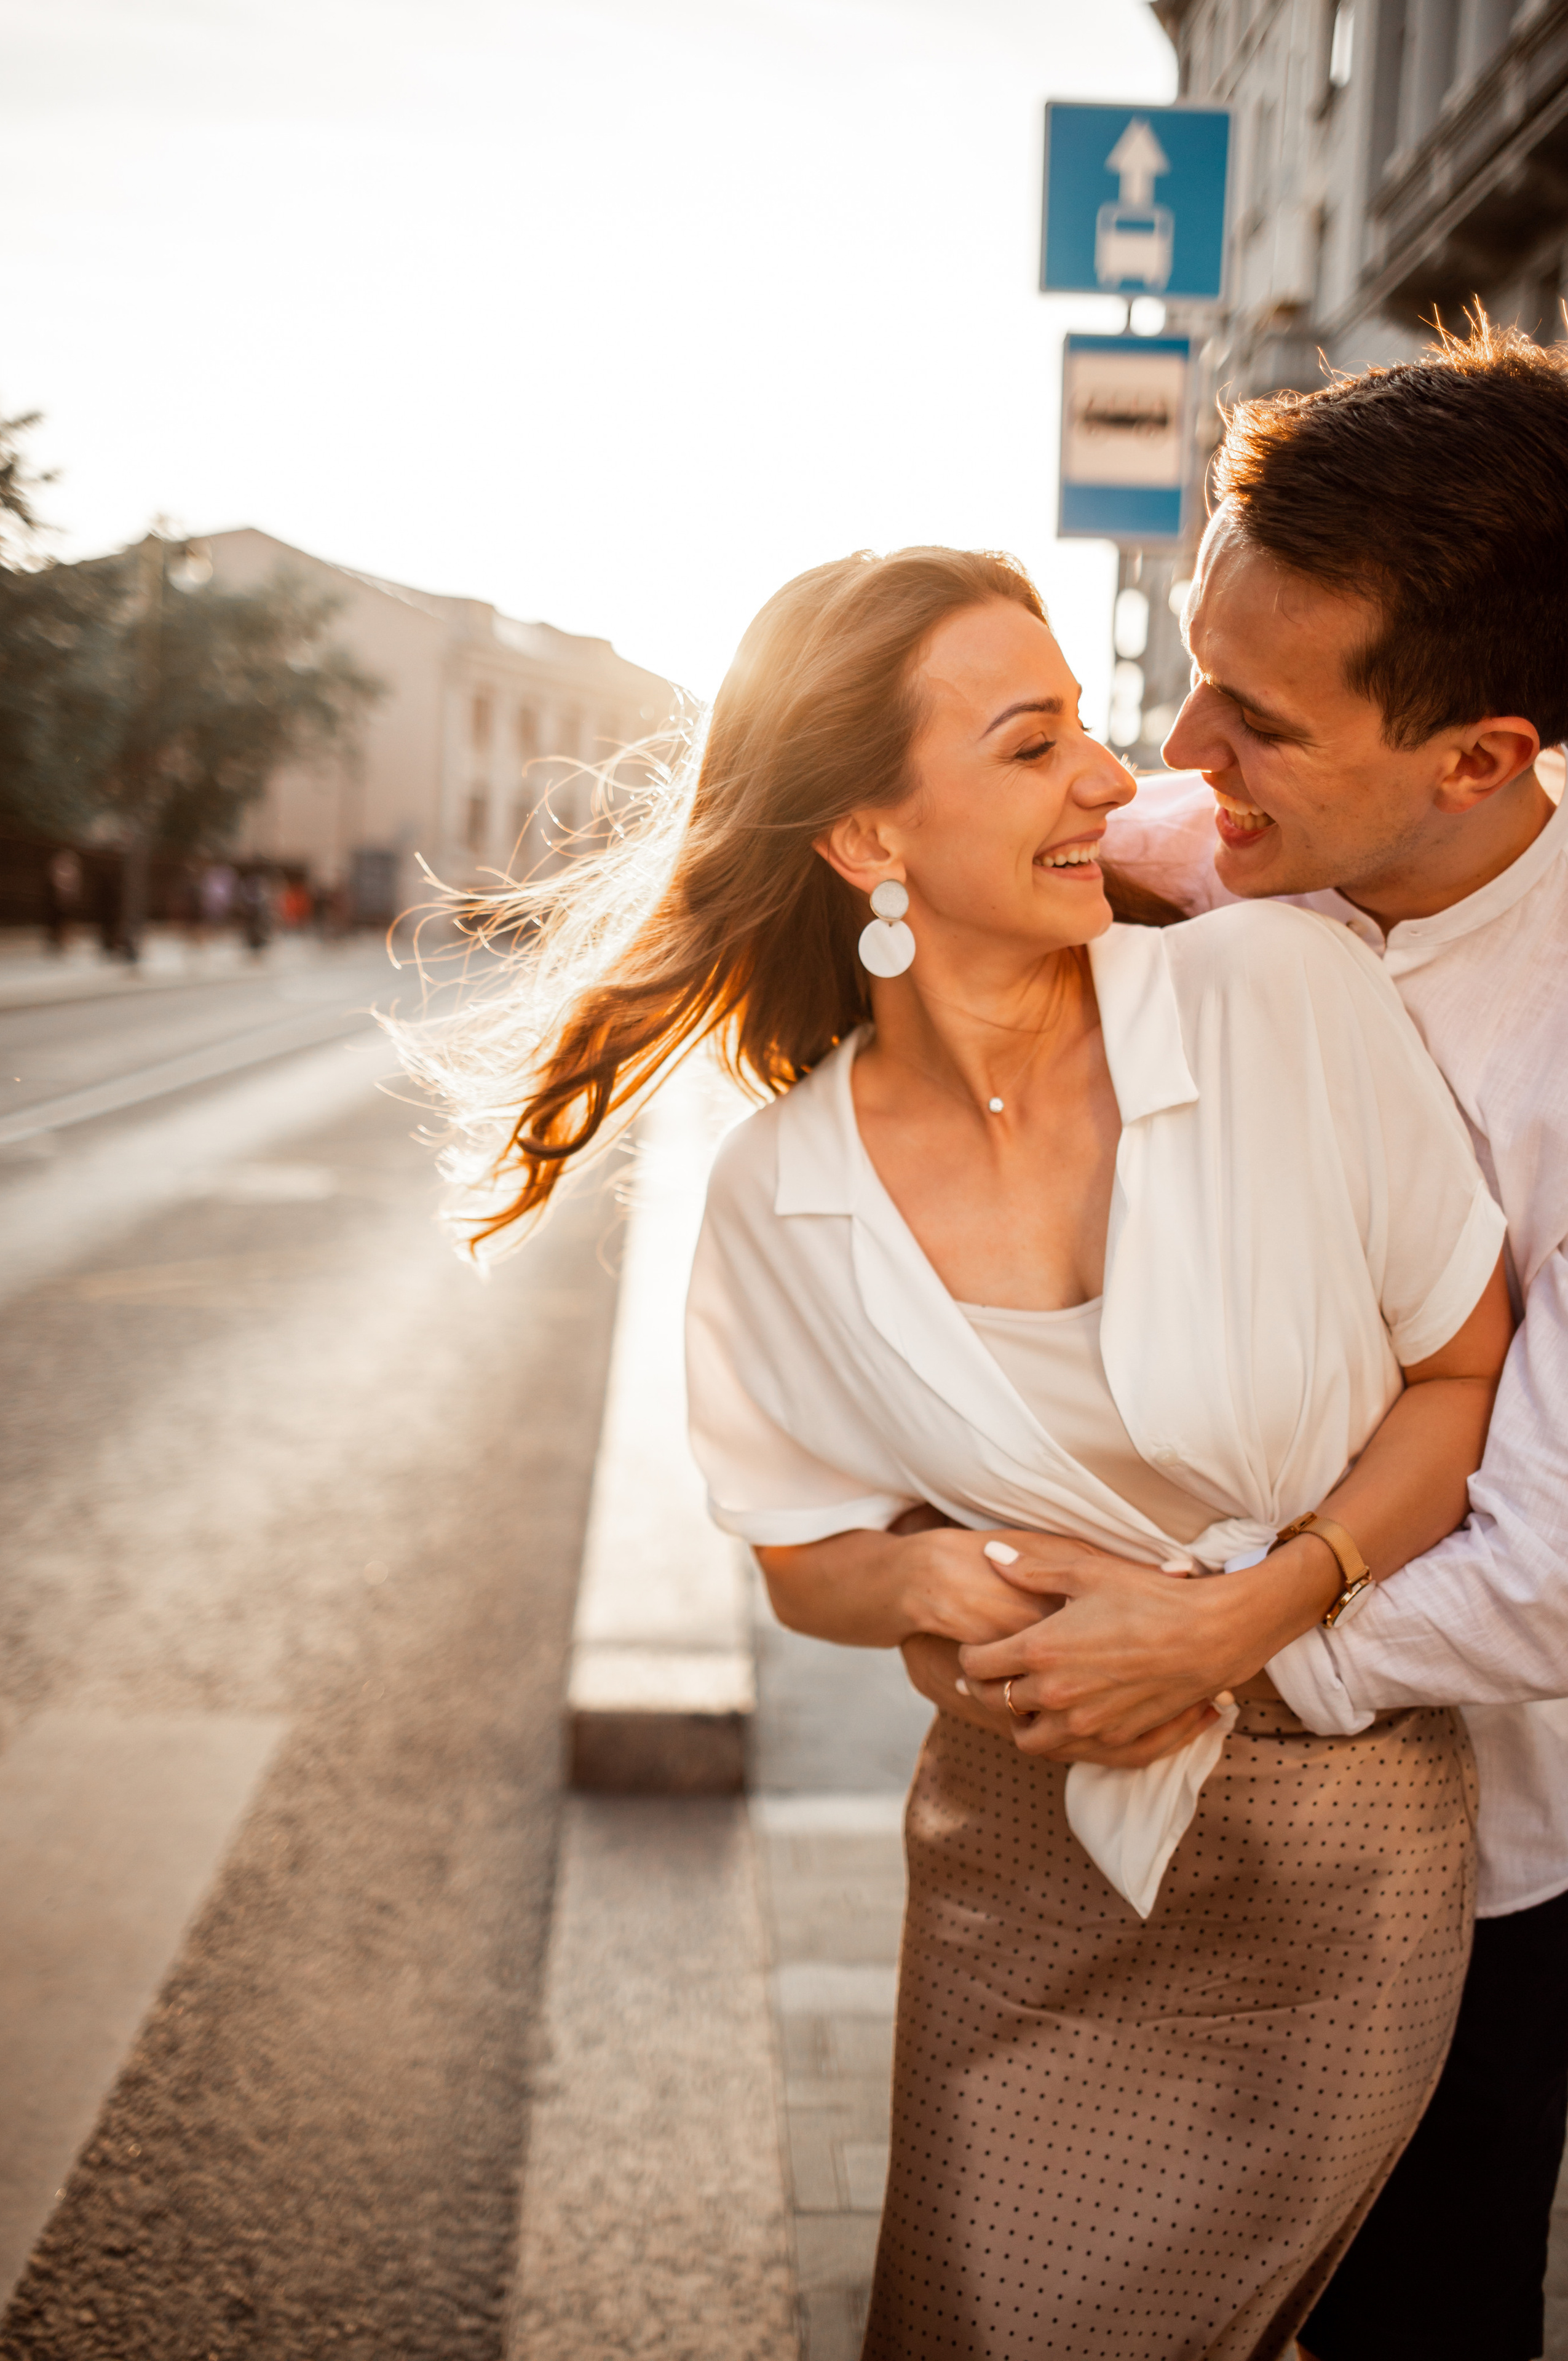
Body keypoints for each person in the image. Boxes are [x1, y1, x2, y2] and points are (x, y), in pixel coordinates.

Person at [412, 544, 1511, 2359]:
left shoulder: (1283, 1003)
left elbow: (1462, 1385)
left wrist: (1247, 1615)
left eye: (1084, 721)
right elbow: (802, 1549)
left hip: (1338, 1852)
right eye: (1032, 745)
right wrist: (928, 1582)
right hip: (1025, 1864)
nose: (1109, 777)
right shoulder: (782, 1197)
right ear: (869, 840)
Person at [978, 320, 1568, 2361]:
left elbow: (1557, 1570)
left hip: (1487, 1864)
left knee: (1420, 2314)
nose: (1176, 754)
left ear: (1482, 756)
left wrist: (1213, 1649)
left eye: (1255, 721)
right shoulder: (1205, 860)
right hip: (1162, 1829)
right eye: (1192, 674)